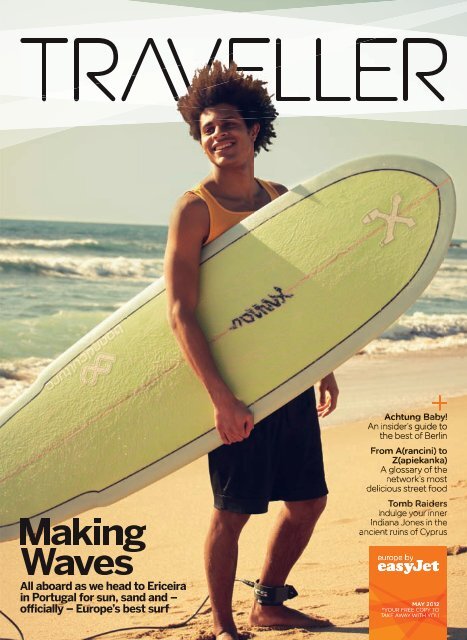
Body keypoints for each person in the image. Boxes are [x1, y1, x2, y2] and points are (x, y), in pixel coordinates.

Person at [164, 62, 339, 640]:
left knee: (308, 501)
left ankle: (267, 600)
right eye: (209, 128)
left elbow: (295, 293)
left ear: (255, 130)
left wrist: (325, 364)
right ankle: (221, 626)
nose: (220, 135)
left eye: (231, 124)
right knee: (233, 511)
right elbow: (181, 312)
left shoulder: (278, 199)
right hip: (235, 386)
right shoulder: (195, 209)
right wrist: (221, 399)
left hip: (286, 378)